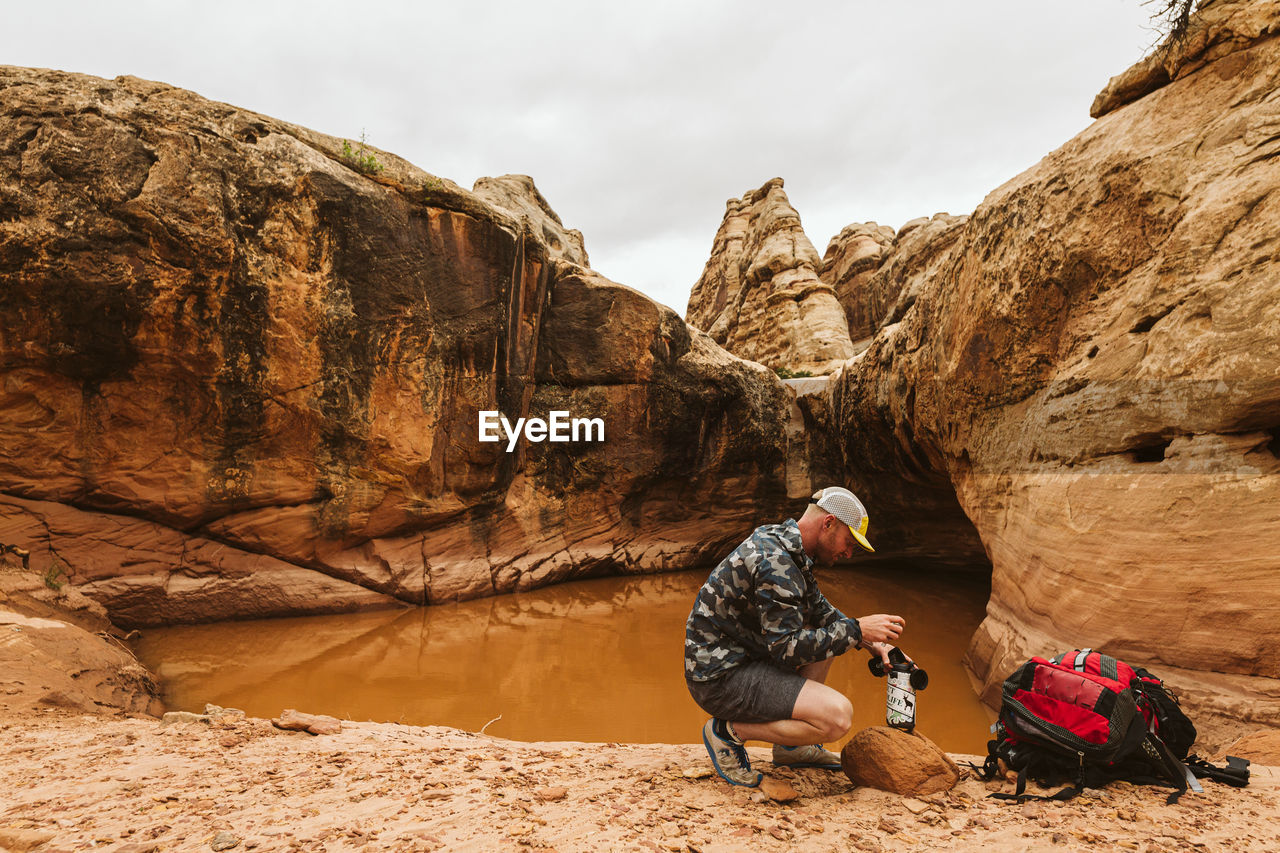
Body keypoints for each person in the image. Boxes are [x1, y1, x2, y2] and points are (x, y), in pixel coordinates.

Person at [683, 486, 906, 786]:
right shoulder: (777, 561)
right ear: (828, 523)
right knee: (838, 716)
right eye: (849, 541)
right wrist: (856, 630)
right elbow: (786, 649)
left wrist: (877, 646)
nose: (849, 552)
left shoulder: (788, 546)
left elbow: (820, 612)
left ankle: (793, 748)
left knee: (827, 632)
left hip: (742, 661)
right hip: (719, 678)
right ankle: (728, 731)